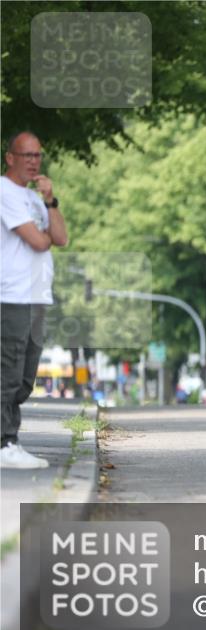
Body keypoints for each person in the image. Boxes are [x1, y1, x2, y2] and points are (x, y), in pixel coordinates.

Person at [1, 131, 68, 469]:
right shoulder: (4, 192)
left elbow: (60, 237)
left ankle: (8, 442)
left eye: (37, 155)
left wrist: (50, 200)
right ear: (9, 157)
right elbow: (39, 243)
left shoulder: (34, 198)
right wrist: (44, 237)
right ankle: (5, 442)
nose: (33, 161)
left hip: (37, 296)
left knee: (26, 379)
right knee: (8, 373)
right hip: (11, 295)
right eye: (26, 155)